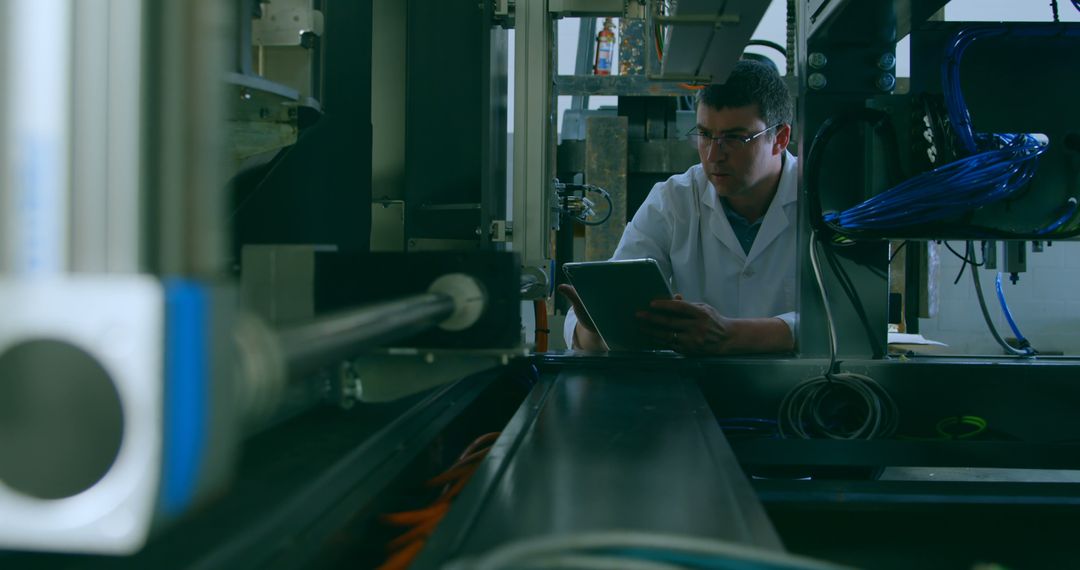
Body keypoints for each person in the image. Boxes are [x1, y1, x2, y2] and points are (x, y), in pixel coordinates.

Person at [559, 59, 797, 355]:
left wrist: (733, 334)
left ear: (781, 138)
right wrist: (599, 326)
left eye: (735, 138)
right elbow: (594, 321)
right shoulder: (673, 200)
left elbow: (855, 318)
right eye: (705, 134)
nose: (714, 155)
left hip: (804, 391)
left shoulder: (823, 200)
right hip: (693, 390)